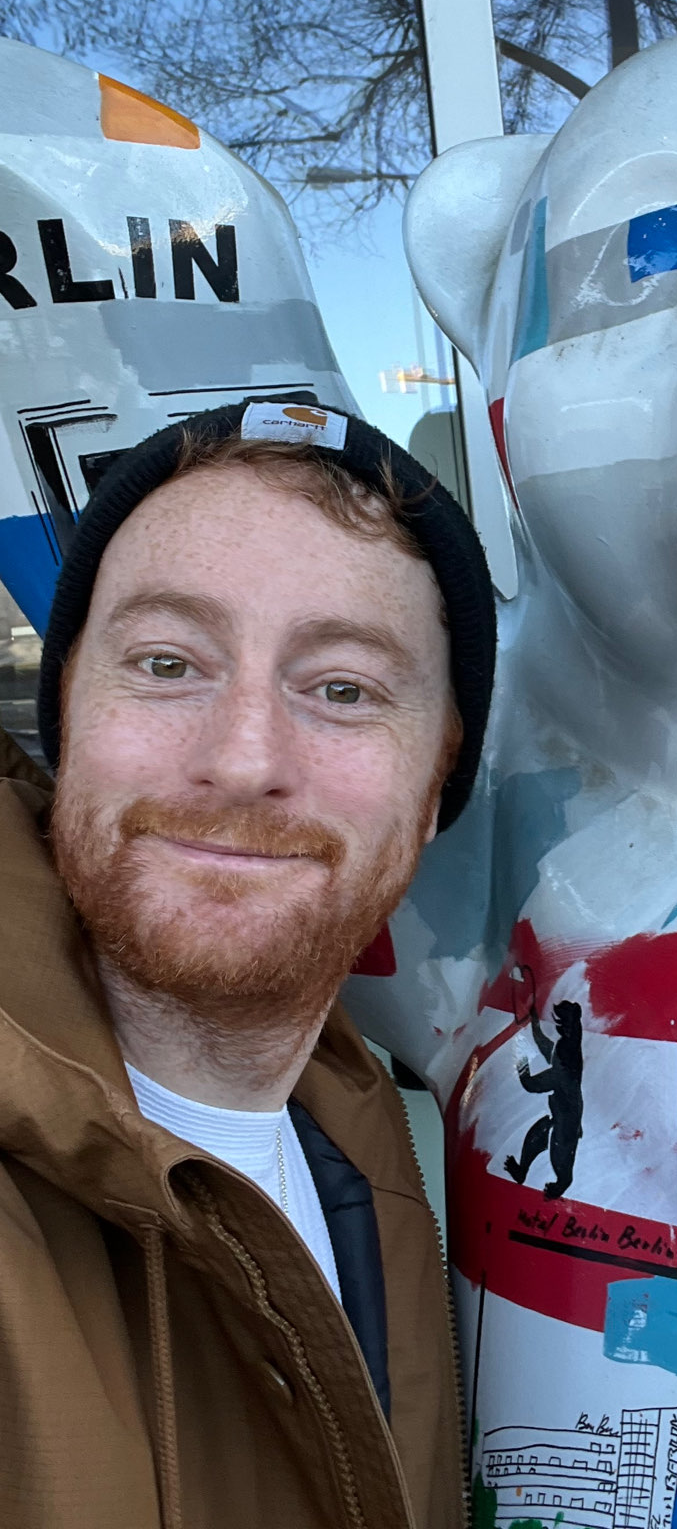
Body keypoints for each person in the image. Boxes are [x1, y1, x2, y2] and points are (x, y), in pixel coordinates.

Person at [0, 396, 496, 1529]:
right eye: (168, 663)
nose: (241, 759)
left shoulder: (375, 1149)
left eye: (343, 689)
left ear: (433, 789)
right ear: (68, 714)